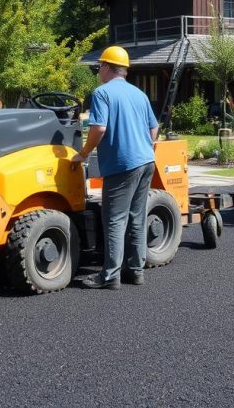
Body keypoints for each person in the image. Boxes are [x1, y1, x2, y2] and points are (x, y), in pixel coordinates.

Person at [72, 46, 158, 289]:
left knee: (115, 220)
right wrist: (145, 145)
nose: (99, 70)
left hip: (123, 165)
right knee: (137, 217)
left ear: (108, 67)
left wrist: (84, 153)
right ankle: (136, 271)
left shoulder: (102, 93)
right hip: (146, 161)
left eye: (100, 66)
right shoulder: (139, 94)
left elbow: (99, 128)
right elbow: (154, 127)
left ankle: (109, 276)